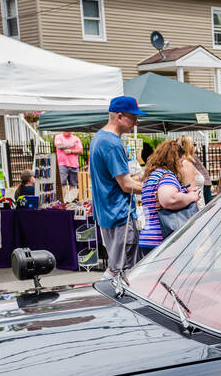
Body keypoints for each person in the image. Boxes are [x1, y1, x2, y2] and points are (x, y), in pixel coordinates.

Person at [90, 96, 145, 277]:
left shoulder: (99, 138)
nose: (136, 123)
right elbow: (126, 185)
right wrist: (153, 188)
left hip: (108, 214)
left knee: (115, 267)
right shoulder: (112, 143)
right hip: (120, 215)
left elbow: (115, 178)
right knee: (123, 272)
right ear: (120, 117)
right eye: (133, 117)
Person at [138, 139, 201, 256]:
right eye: (180, 160)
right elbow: (169, 199)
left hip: (148, 237)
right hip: (162, 239)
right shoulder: (166, 176)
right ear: (174, 159)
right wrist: (191, 197)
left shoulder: (152, 176)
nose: (181, 164)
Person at [179, 135, 211, 204]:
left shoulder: (184, 162)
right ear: (189, 146)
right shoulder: (186, 164)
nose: (195, 146)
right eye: (194, 144)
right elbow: (191, 192)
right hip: (196, 206)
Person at [54, 131, 83, 202]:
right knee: (62, 184)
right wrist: (72, 145)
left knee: (73, 184)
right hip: (62, 164)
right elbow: (59, 146)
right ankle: (63, 202)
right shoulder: (58, 137)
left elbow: (81, 151)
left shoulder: (76, 138)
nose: (66, 131)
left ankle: (70, 202)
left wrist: (71, 151)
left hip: (74, 164)